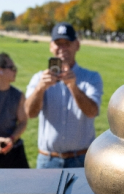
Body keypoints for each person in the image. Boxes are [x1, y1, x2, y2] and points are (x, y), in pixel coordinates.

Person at [26, 22, 103, 168]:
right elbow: (30, 113)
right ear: (51, 46)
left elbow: (92, 112)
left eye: (67, 43)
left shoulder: (91, 77)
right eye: (58, 43)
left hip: (80, 158)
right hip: (48, 159)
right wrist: (40, 89)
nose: (62, 48)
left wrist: (73, 87)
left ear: (77, 45)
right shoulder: (39, 79)